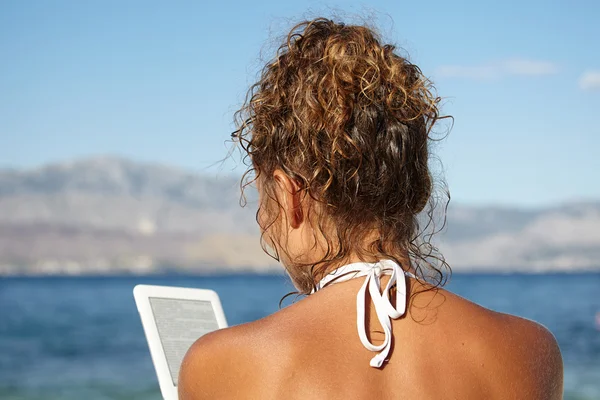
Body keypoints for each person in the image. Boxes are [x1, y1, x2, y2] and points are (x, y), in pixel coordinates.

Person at [179, 18, 563, 399]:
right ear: (414, 189)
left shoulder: (220, 365)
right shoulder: (529, 351)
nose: (264, 220)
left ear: (288, 196)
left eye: (263, 203)